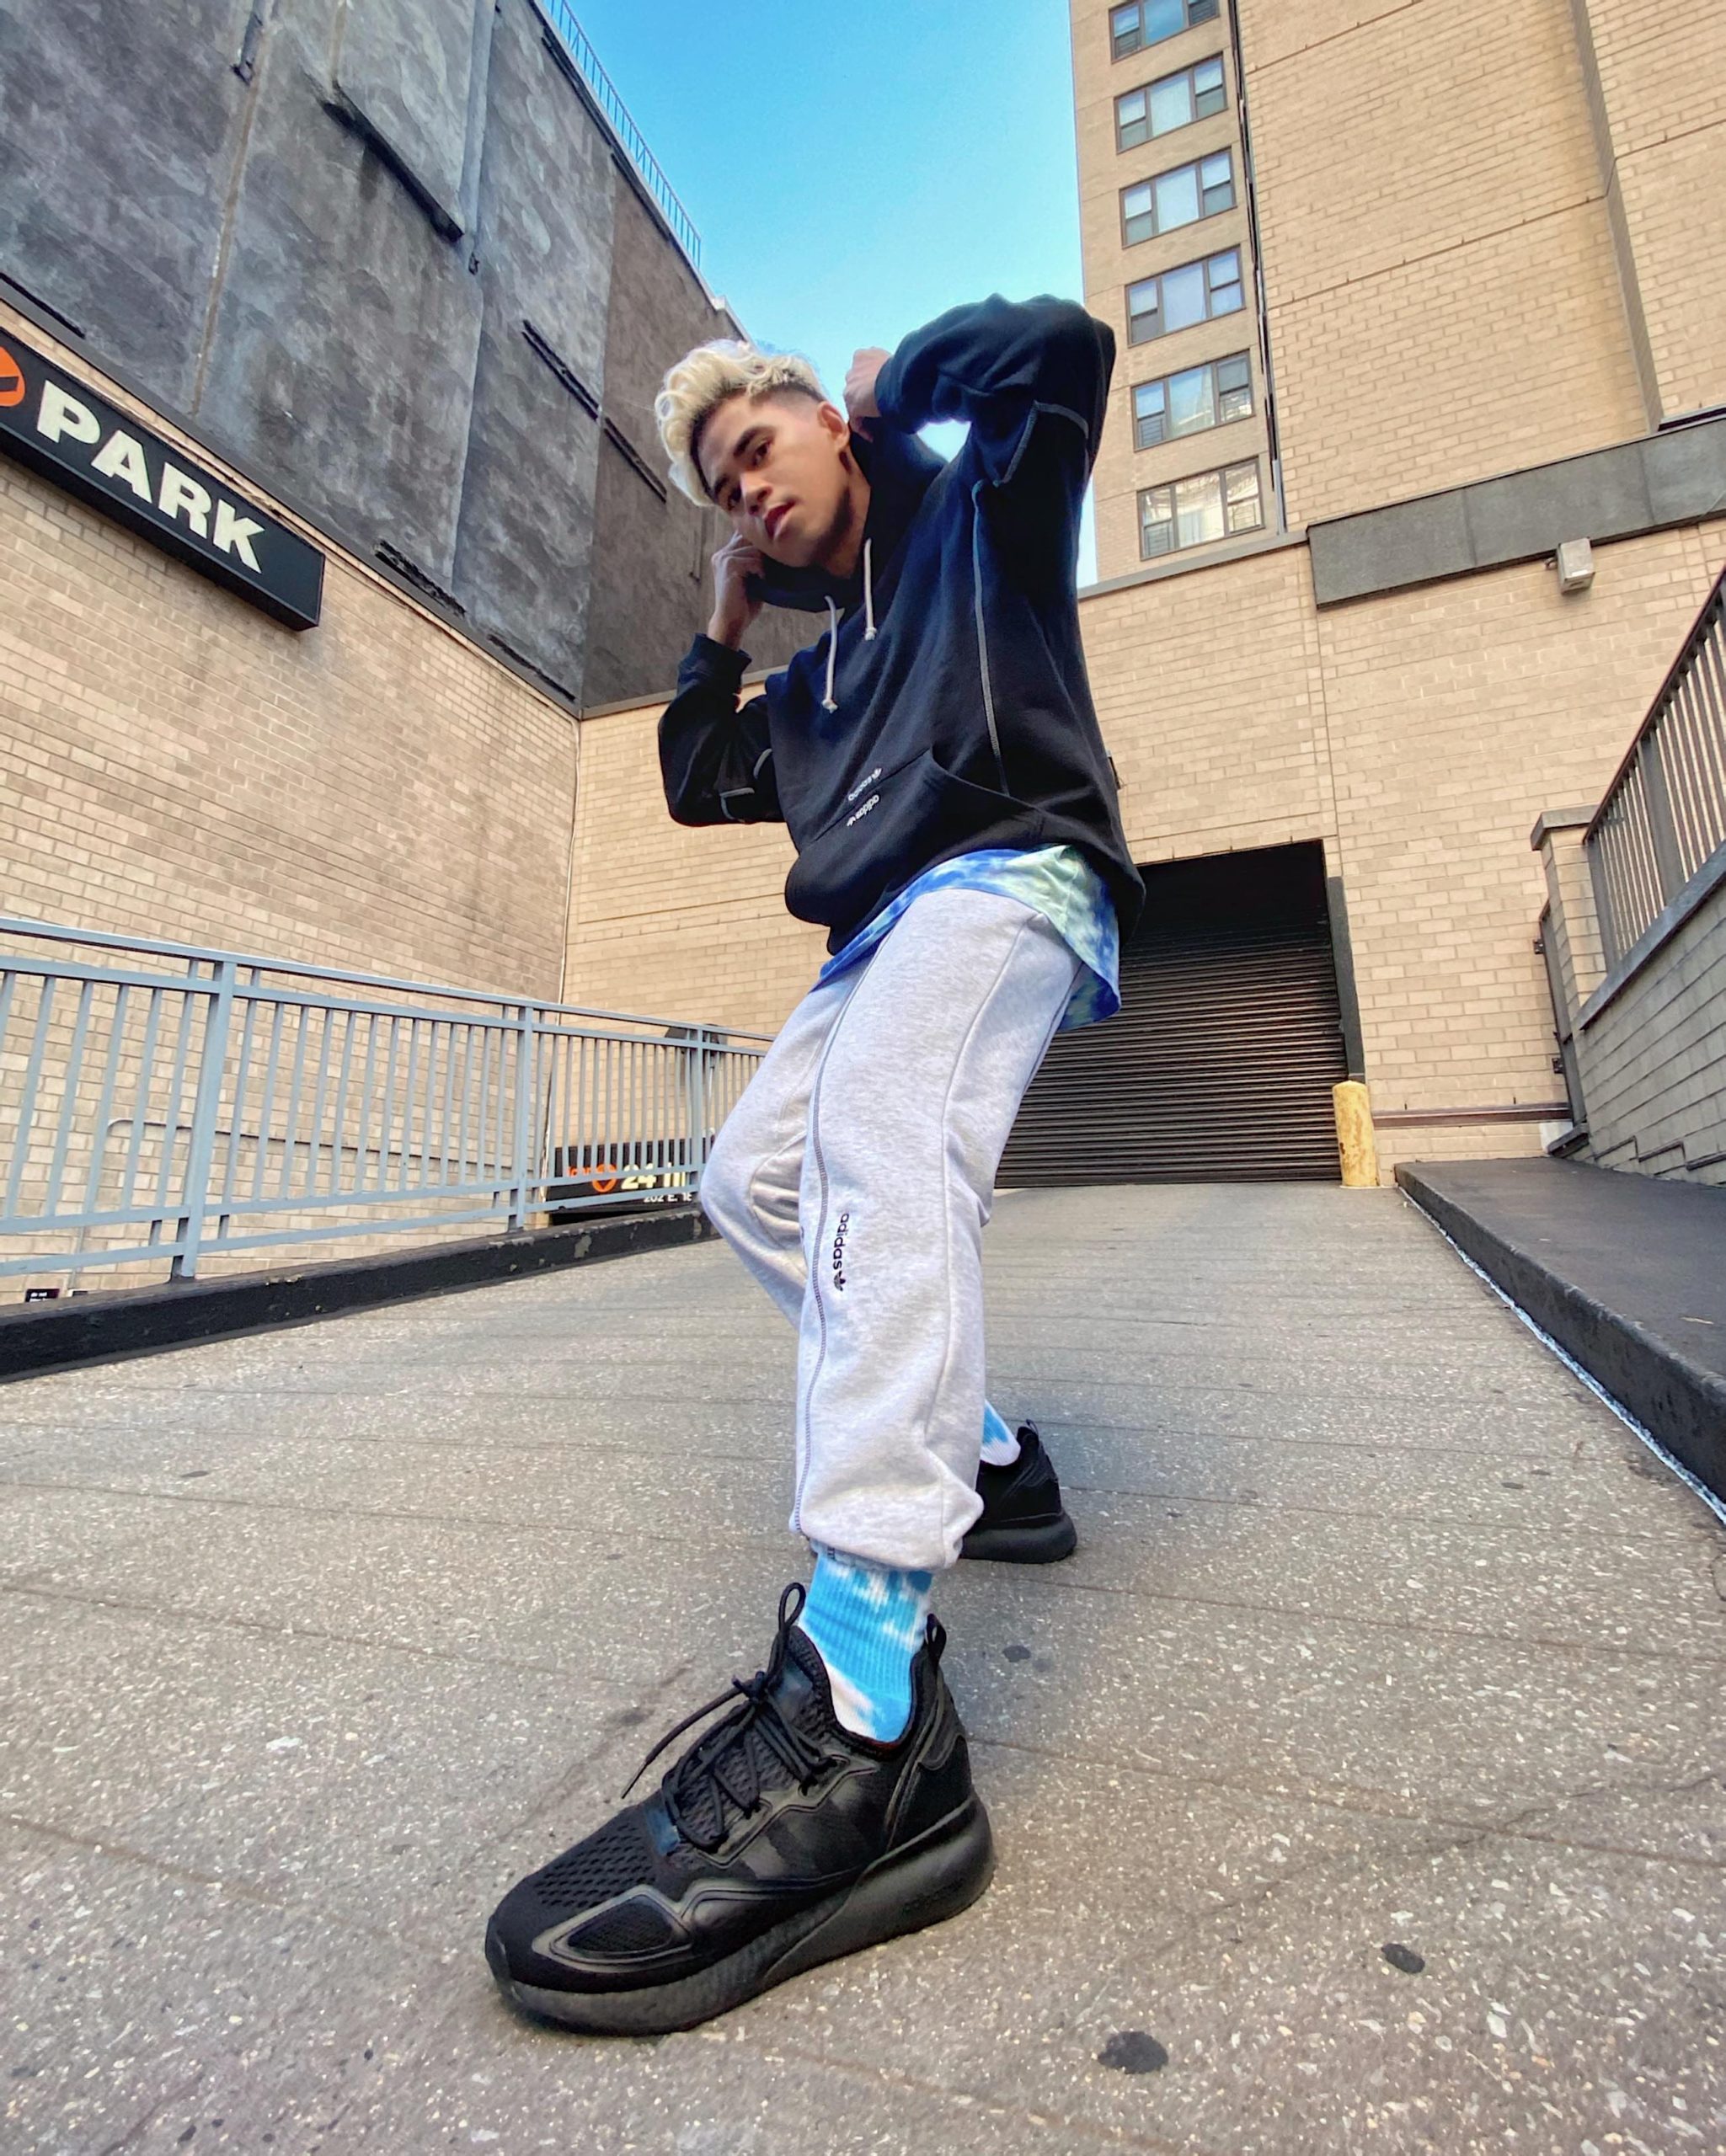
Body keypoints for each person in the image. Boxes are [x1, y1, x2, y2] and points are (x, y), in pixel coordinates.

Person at [486, 293, 1145, 2036]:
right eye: (715, 485)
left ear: (828, 427)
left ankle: (864, 1701)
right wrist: (714, 620)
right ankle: (991, 1456)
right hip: (869, 936)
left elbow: (1064, 351)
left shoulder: (970, 508)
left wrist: (900, 382)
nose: (741, 492)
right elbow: (701, 773)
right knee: (745, 1184)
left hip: (1006, 869)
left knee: (872, 1144)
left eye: (754, 450)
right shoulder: (814, 667)